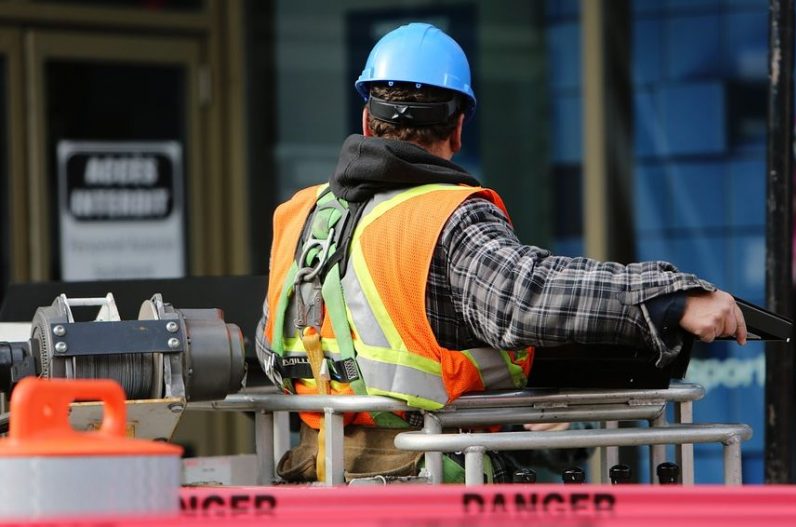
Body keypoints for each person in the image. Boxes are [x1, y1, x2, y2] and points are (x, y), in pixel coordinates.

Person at [256, 22, 747, 483]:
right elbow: (525, 295)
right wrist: (671, 298)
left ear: (366, 119)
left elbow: (271, 342)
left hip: (319, 478)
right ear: (458, 128)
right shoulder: (445, 216)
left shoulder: (300, 215)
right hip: (428, 483)